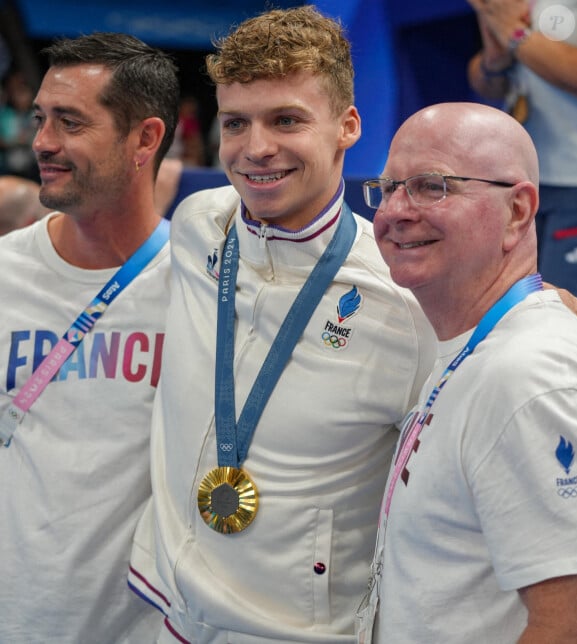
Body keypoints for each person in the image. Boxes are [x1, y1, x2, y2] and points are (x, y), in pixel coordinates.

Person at [128, 6, 436, 643]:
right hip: (169, 617)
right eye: (236, 123)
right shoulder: (197, 226)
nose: (255, 149)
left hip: (298, 633)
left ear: (347, 126)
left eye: (286, 120)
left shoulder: (403, 301)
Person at [358, 101, 577, 643]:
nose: (394, 211)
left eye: (432, 186)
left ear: (519, 212)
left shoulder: (527, 375)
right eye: (388, 187)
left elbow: (568, 623)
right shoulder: (478, 349)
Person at [0, 32, 179, 643]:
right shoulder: (5, 275)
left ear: (145, 139)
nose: (42, 143)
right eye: (41, 119)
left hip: (144, 629)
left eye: (71, 123)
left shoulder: (204, 286)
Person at [467, 0, 577, 296]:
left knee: (564, 317)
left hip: (574, 185)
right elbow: (491, 84)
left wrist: (514, 35)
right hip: (524, 181)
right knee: (517, 306)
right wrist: (493, 62)